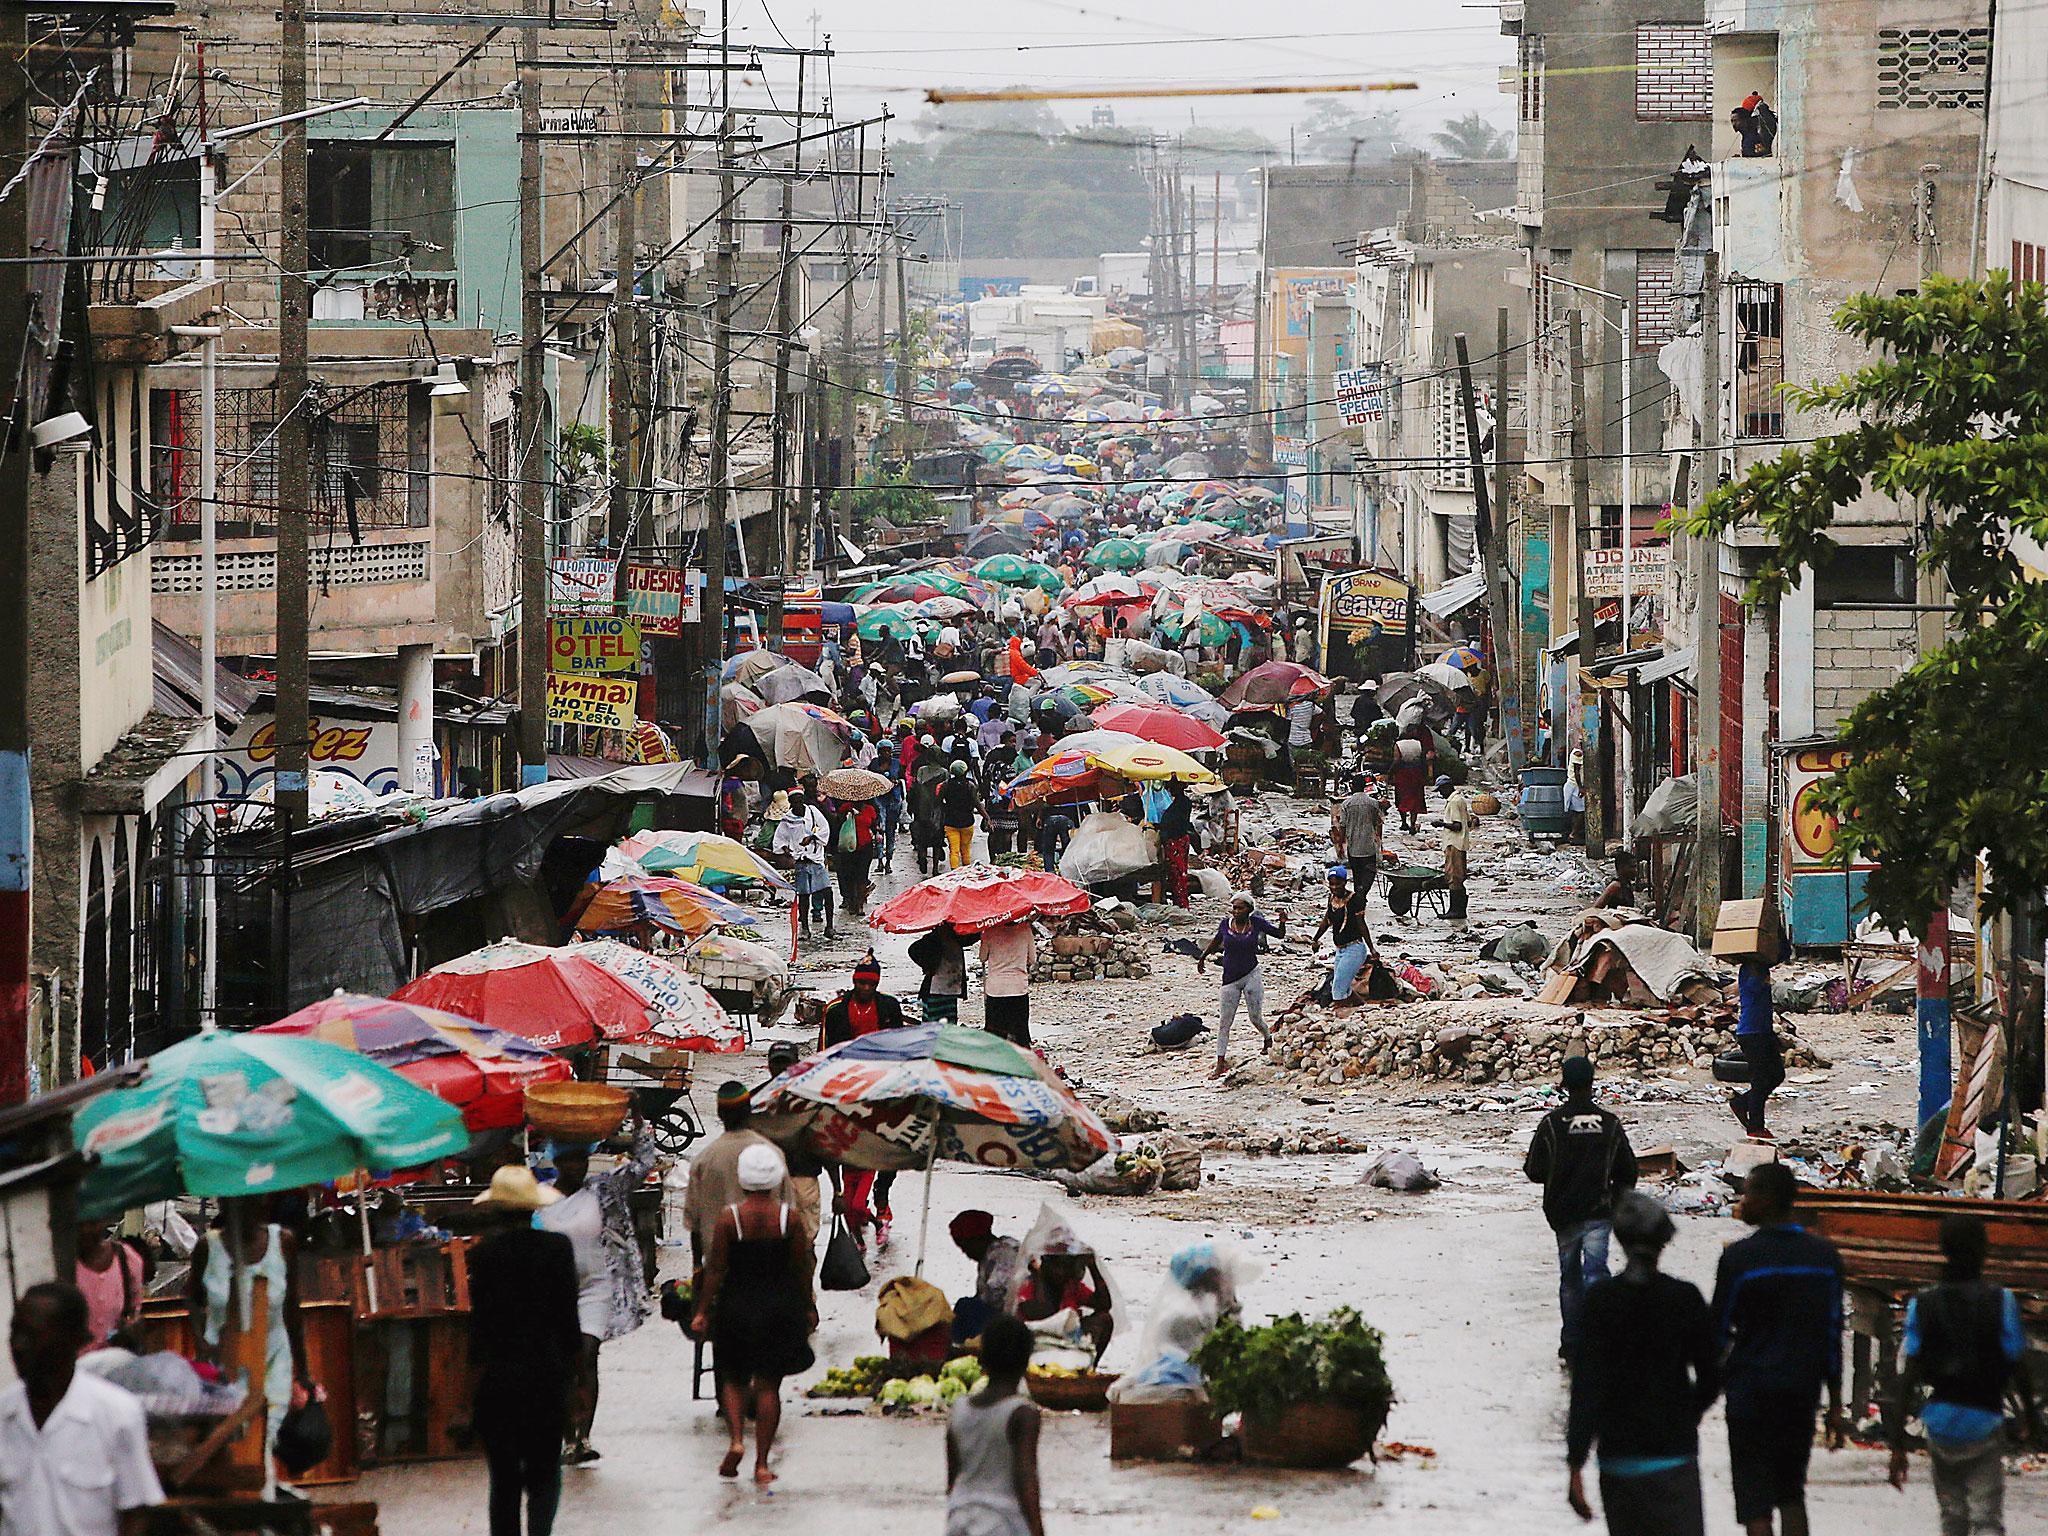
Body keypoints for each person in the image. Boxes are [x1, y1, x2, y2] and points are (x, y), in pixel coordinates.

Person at [1565, 1192, 1720, 1536]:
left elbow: (1586, 1387)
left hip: (1619, 1460)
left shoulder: (1601, 1301)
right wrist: (1685, 1413)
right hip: (1674, 1456)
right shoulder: (1685, 1299)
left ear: (1618, 1239)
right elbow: (1713, 1375)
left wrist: (1576, 1464)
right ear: (1665, 1240)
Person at [1712, 1162, 1847, 1536]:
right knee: (1791, 1493)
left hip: (1750, 1393)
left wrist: (1705, 1394)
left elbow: (1718, 1334)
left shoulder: (1739, 1259)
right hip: (1800, 1390)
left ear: (1767, 1200)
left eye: (1748, 1194)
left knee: (1755, 1503)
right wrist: (1835, 1402)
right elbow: (1832, 1332)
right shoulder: (1823, 1258)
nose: (1743, 1202)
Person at [1888, 1212, 2031, 1533]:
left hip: (1940, 1424)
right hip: (1985, 1418)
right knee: (1986, 1516)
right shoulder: (2001, 1301)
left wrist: (1897, 1443)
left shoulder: (1922, 1304)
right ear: (1984, 1250)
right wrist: (2030, 1421)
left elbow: (1909, 1376)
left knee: (1952, 1514)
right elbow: (2017, 1365)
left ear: (1942, 1248)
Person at [692, 1143, 818, 1488]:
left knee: (732, 1377)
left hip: (736, 1305)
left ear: (743, 1180)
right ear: (776, 1179)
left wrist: (702, 1311)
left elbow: (716, 1268)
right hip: (779, 1307)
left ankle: (736, 1439)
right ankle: (762, 1464)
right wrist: (807, 1305)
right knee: (767, 1385)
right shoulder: (788, 1218)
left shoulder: (729, 1218)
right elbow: (801, 1266)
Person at [464, 1166, 581, 1536]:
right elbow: (568, 1319)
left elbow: (480, 1328)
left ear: (495, 1210)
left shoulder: (483, 1257)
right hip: (547, 1375)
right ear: (532, 1208)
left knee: (504, 1477)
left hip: (500, 1378)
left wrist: (467, 1390)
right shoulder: (558, 1249)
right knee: (545, 1471)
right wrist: (576, 1381)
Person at [535, 1118, 657, 1463]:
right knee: (560, 1365)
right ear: (556, 1162)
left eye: (581, 1159)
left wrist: (638, 1119)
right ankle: (565, 1436)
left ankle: (583, 1437)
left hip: (597, 1288)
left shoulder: (604, 1189)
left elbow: (644, 1164)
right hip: (553, 1293)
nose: (576, 1166)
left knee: (586, 1356)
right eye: (569, 1159)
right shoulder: (540, 1198)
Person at [0, 1281, 162, 1536]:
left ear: (72, 1341)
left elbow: (136, 1512)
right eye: (15, 1333)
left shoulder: (116, 1413)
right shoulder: (4, 1414)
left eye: (33, 1335)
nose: (18, 1346)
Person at [1523, 1057, 1639, 1362]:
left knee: (1570, 1278)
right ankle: (1601, 1341)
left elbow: (1534, 1170)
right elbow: (1628, 1172)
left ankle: (1572, 1344)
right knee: (1597, 1273)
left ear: (1563, 1085)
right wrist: (1614, 1199)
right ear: (1592, 1084)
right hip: (1599, 1212)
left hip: (1563, 1214)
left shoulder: (1551, 1124)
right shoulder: (1610, 1124)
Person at [187, 1197, 312, 1435]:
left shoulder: (283, 1242)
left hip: (273, 1361)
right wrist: (201, 1341)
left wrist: (303, 1372)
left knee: (269, 1434)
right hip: (223, 1364)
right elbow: (192, 1297)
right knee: (233, 1440)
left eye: (249, 1203)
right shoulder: (207, 1247)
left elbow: (292, 1309)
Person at [822, 956, 910, 1242]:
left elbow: (900, 1047)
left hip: (883, 1088)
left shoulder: (889, 1006)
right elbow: (825, 1052)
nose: (864, 988)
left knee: (888, 1145)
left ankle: (881, 1196)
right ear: (853, 981)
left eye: (869, 983)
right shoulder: (835, 1011)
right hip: (848, 1088)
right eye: (860, 982)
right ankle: (853, 1203)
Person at [945, 1314, 1045, 1536]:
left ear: (982, 1359)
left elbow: (953, 1478)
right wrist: (1037, 1530)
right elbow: (1026, 1478)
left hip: (960, 1518)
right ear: (1026, 1361)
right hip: (1002, 1522)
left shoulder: (958, 1409)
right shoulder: (1022, 1414)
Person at [684, 1083, 796, 1267]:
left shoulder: (704, 1161)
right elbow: (790, 1214)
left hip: (720, 1265)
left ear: (720, 1113)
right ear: (748, 1111)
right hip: (768, 1263)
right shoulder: (772, 1153)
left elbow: (694, 1224)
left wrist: (697, 1269)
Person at [1197, 893, 1287, 1079]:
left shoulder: (1256, 923)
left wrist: (1282, 921)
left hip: (1251, 974)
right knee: (1224, 1022)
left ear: (1249, 910)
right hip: (1229, 979)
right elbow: (1216, 941)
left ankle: (1267, 1037)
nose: (1236, 911)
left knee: (1255, 1017)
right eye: (1234, 908)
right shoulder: (1225, 925)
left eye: (1240, 908)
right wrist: (1203, 957)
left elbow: (1279, 935)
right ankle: (1220, 1063)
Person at [762, 1043, 827, 1250]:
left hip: (804, 1179)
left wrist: (838, 1191)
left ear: (797, 1065)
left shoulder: (811, 1099)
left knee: (806, 1241)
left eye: (786, 1063)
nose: (781, 1069)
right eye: (776, 1063)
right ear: (769, 1066)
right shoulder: (759, 1100)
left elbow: (825, 1141)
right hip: (769, 1181)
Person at [947, 1210, 1024, 1348]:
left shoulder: (1002, 1254)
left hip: (1011, 1316)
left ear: (978, 1239)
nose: (966, 1253)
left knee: (964, 1308)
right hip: (1004, 1311)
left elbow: (995, 1296)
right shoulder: (993, 1251)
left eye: (966, 1247)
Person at [1733, 951, 1784, 1139]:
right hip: (1751, 1033)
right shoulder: (1748, 970)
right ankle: (1755, 1127)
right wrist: (1758, 967)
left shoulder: (1761, 967)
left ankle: (1742, 1103)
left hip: (1764, 1031)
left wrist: (1778, 932)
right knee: (1760, 1080)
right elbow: (1753, 988)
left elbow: (1782, 954)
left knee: (1777, 1074)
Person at [773, 786, 834, 939]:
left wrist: (813, 837)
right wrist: (786, 849)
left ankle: (830, 926)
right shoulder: (788, 819)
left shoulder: (812, 812)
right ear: (791, 803)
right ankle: (805, 928)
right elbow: (780, 838)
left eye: (800, 801)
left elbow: (824, 828)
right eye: (795, 802)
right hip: (800, 860)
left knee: (827, 892)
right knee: (804, 896)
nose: (798, 805)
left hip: (816, 859)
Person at [1313, 866, 1374, 1009]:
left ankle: (1339, 1019)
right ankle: (1363, 1008)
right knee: (1343, 987)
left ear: (1345, 882)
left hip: (1354, 949)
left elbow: (1362, 925)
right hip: (1340, 950)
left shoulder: (1354, 900)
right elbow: (1327, 921)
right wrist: (1315, 939)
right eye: (1331, 884)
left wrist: (1372, 948)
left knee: (1338, 990)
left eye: (1337, 883)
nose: (1334, 887)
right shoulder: (1332, 898)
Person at [75, 1222, 143, 1347]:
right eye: (79, 1225)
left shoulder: (126, 1259)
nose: (86, 1230)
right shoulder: (62, 1264)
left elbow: (134, 1311)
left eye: (92, 1223)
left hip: (117, 1360)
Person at [980, 920, 1034, 1046]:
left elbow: (982, 957)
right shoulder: (1025, 929)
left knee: (996, 1036)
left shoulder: (989, 930)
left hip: (996, 989)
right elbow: (1032, 959)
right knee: (1019, 1034)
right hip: (1018, 987)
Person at [1333, 776, 1385, 899]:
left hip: (1354, 846)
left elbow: (1343, 826)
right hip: (1368, 846)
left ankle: (1359, 896)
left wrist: (1340, 845)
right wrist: (1379, 840)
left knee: (1357, 875)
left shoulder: (1346, 804)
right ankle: (1362, 894)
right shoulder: (1373, 803)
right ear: (1365, 787)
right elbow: (1378, 823)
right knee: (1370, 872)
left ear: (1352, 786)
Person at [826, 795, 879, 917]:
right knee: (849, 876)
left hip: (865, 847)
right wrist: (846, 815)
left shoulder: (870, 809)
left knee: (862, 876)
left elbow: (873, 824)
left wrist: (877, 830)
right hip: (848, 849)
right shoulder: (845, 808)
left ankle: (859, 905)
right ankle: (851, 902)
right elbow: (837, 823)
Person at [910, 923, 972, 1025]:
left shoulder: (958, 939)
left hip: (952, 991)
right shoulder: (932, 940)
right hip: (934, 991)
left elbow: (971, 937)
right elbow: (913, 950)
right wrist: (927, 966)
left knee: (949, 1025)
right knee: (931, 1026)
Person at [1437, 775, 1475, 923]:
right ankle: (1458, 909)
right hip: (1459, 843)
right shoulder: (1459, 800)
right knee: (1458, 876)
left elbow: (1457, 825)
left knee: (1454, 877)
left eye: (1441, 790)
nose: (1441, 793)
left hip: (1455, 843)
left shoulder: (1454, 802)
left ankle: (1456, 911)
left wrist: (1442, 824)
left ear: (1447, 787)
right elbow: (1469, 821)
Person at [1155, 780, 1193, 908]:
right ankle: (1180, 902)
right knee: (1176, 874)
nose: (1170, 790)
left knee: (1178, 874)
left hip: (1176, 841)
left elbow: (1175, 823)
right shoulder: (1178, 803)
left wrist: (1161, 827)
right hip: (1177, 840)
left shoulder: (1182, 803)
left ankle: (1182, 903)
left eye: (1172, 787)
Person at [1391, 720, 1431, 833]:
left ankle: (1404, 822)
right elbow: (1423, 760)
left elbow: (1397, 760)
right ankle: (1413, 824)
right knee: (1415, 800)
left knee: (1401, 798)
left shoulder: (1399, 744)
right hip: (1416, 774)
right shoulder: (1419, 744)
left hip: (1403, 774)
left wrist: (1390, 772)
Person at [942, 761, 980, 869]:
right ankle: (966, 872)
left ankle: (954, 872)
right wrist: (987, 817)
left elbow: (939, 801)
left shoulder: (946, 785)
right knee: (966, 849)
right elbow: (977, 803)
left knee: (954, 850)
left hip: (950, 822)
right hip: (967, 822)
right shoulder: (970, 786)